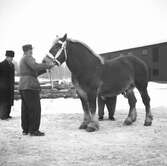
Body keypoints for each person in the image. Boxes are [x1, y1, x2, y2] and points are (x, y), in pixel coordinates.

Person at [19, 44, 55, 136]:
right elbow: (35, 66)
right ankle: (34, 130)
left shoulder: (23, 59)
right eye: (31, 49)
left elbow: (34, 72)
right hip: (30, 86)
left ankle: (26, 129)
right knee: (35, 109)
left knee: (26, 109)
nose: (32, 51)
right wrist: (47, 65)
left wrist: (46, 68)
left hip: (24, 86)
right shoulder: (28, 57)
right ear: (28, 50)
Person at [0, 50, 15, 120]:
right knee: (4, 101)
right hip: (3, 86)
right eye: (10, 57)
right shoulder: (2, 64)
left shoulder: (12, 65)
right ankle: (3, 115)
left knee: (9, 100)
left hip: (10, 85)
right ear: (7, 57)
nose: (11, 58)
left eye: (12, 57)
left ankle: (7, 114)